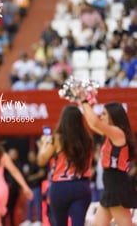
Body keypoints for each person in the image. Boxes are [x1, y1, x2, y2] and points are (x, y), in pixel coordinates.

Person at [78, 96, 137, 225]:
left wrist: (84, 100)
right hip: (110, 184)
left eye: (104, 114)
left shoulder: (118, 132)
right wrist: (84, 104)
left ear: (113, 116)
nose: (101, 116)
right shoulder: (110, 134)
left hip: (117, 184)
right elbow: (91, 123)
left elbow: (94, 123)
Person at [37, 105, 94, 226]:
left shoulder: (57, 138)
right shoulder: (87, 138)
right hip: (82, 185)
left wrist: (43, 144)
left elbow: (42, 160)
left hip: (60, 187)